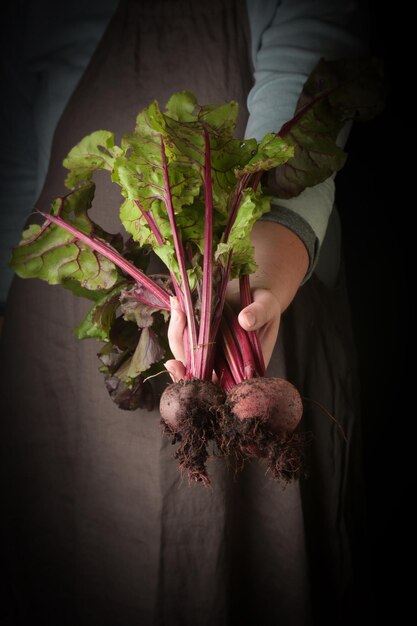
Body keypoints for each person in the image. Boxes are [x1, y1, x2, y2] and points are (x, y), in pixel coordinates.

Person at [0, 1, 370, 625]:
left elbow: (312, 59)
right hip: (56, 334)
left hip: (264, 295)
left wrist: (259, 278)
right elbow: (13, 119)